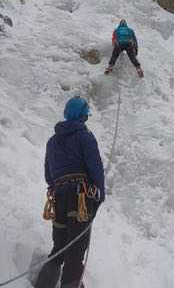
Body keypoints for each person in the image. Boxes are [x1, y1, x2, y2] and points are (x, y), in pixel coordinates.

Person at [34, 97, 105, 288]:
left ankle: (42, 285)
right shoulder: (85, 136)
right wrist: (100, 195)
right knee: (76, 248)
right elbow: (95, 169)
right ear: (82, 115)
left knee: (60, 247)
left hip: (59, 198)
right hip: (80, 199)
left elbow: (49, 175)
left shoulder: (52, 141)